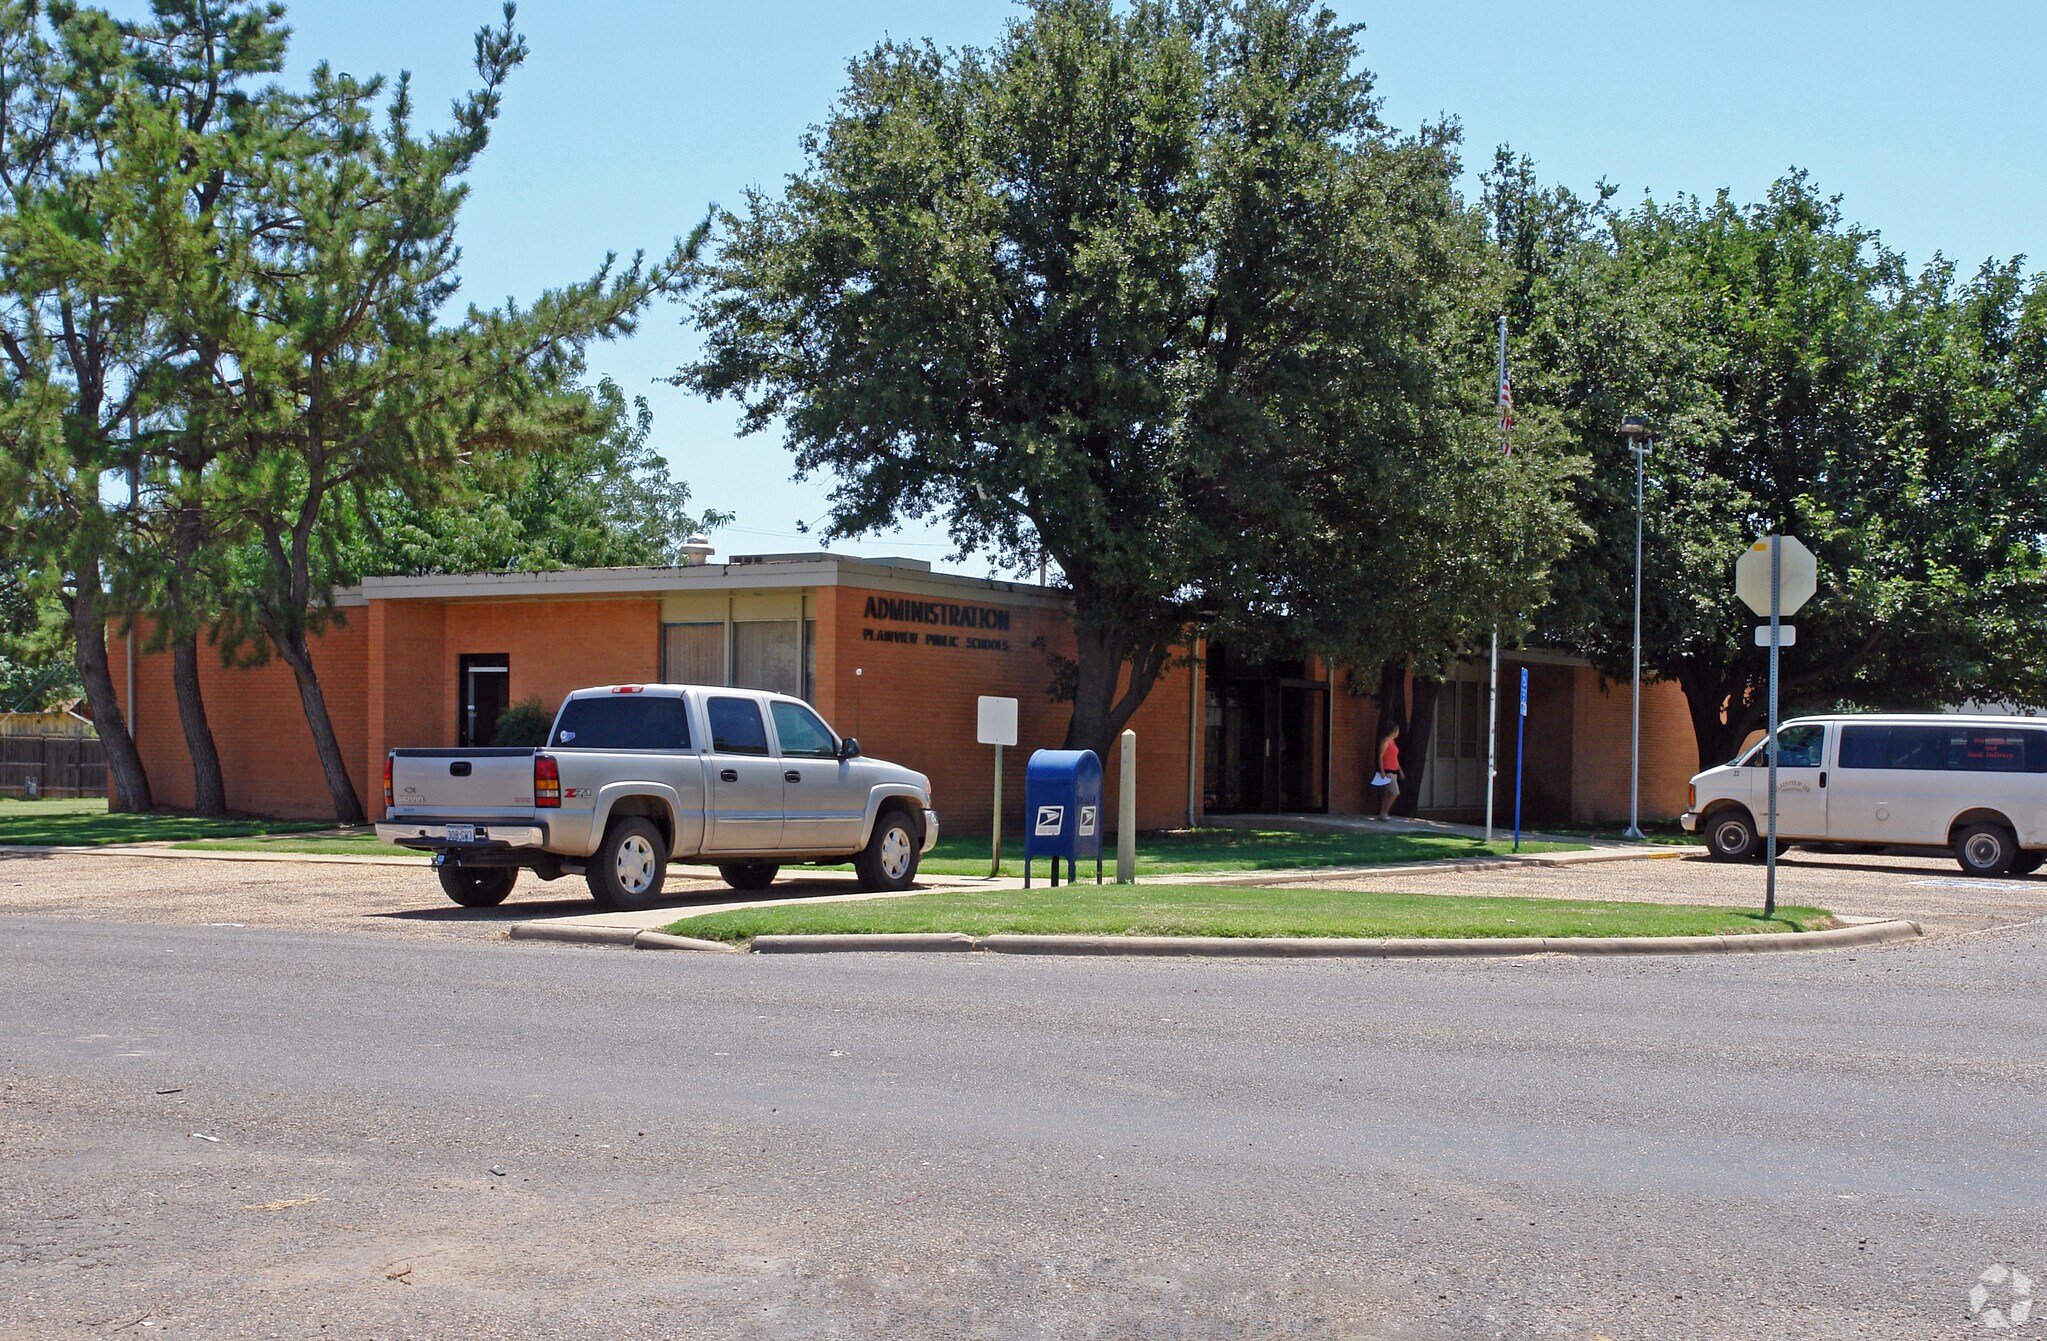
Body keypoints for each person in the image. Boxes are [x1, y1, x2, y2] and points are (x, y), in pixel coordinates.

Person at [1372, 722, 1403, 819]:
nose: (1398, 733)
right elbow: (1380, 756)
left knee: (1388, 793)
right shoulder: (1385, 741)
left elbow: (1395, 757)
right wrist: (1382, 770)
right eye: (1397, 730)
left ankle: (1383, 812)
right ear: (1394, 731)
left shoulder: (1393, 742)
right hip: (1387, 771)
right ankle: (1385, 812)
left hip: (1394, 770)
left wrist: (1400, 770)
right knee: (1394, 792)